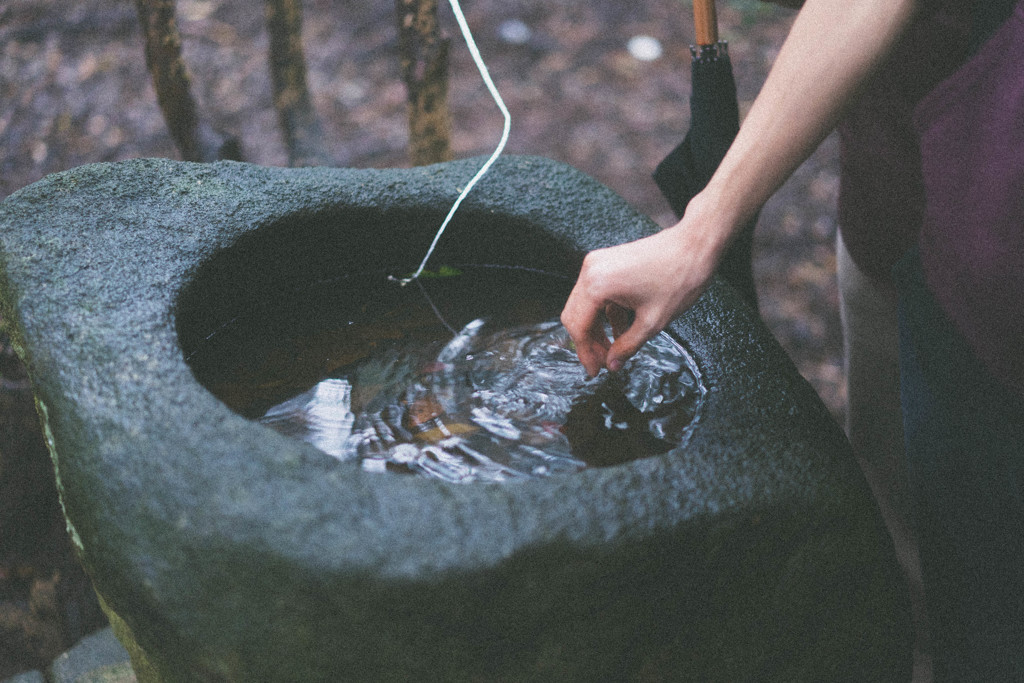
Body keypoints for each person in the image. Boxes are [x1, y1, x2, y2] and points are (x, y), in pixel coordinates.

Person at [560, 0, 1024, 679]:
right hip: (901, 212)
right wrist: (700, 232)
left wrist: (700, 232)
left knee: (988, 606)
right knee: (908, 567)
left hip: (990, 266)